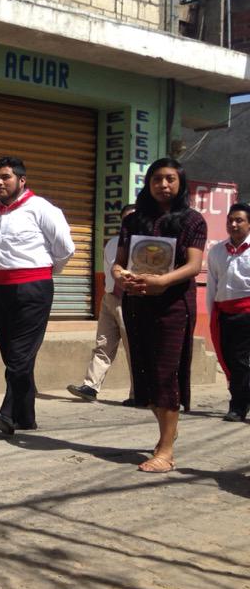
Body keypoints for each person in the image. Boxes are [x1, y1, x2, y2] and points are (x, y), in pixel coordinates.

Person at [112, 157, 206, 473]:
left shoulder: (192, 220)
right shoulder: (133, 220)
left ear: (180, 183)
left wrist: (162, 281)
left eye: (169, 179)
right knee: (145, 373)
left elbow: (193, 266)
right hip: (137, 304)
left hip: (173, 306)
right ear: (148, 183)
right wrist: (120, 275)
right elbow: (119, 262)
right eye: (156, 179)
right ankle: (169, 429)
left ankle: (165, 451)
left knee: (167, 373)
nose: (163, 185)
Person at [0, 157, 75, 435]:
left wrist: (43, 274)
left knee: (20, 355)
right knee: (14, 355)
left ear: (22, 180)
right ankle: (26, 417)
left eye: (6, 177)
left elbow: (65, 248)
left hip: (32, 289)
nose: (0, 182)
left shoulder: (42, 209)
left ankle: (8, 413)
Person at [67, 204, 137, 404]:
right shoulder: (113, 243)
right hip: (110, 299)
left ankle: (138, 393)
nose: (129, 223)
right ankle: (90, 386)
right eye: (126, 219)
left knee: (134, 349)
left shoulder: (143, 245)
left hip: (131, 301)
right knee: (103, 344)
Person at [206, 202, 250, 423]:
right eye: (230, 220)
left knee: (241, 359)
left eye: (239, 220)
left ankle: (238, 406)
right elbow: (212, 285)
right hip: (224, 313)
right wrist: (212, 314)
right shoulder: (216, 251)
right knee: (229, 359)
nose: (233, 224)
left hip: (247, 313)